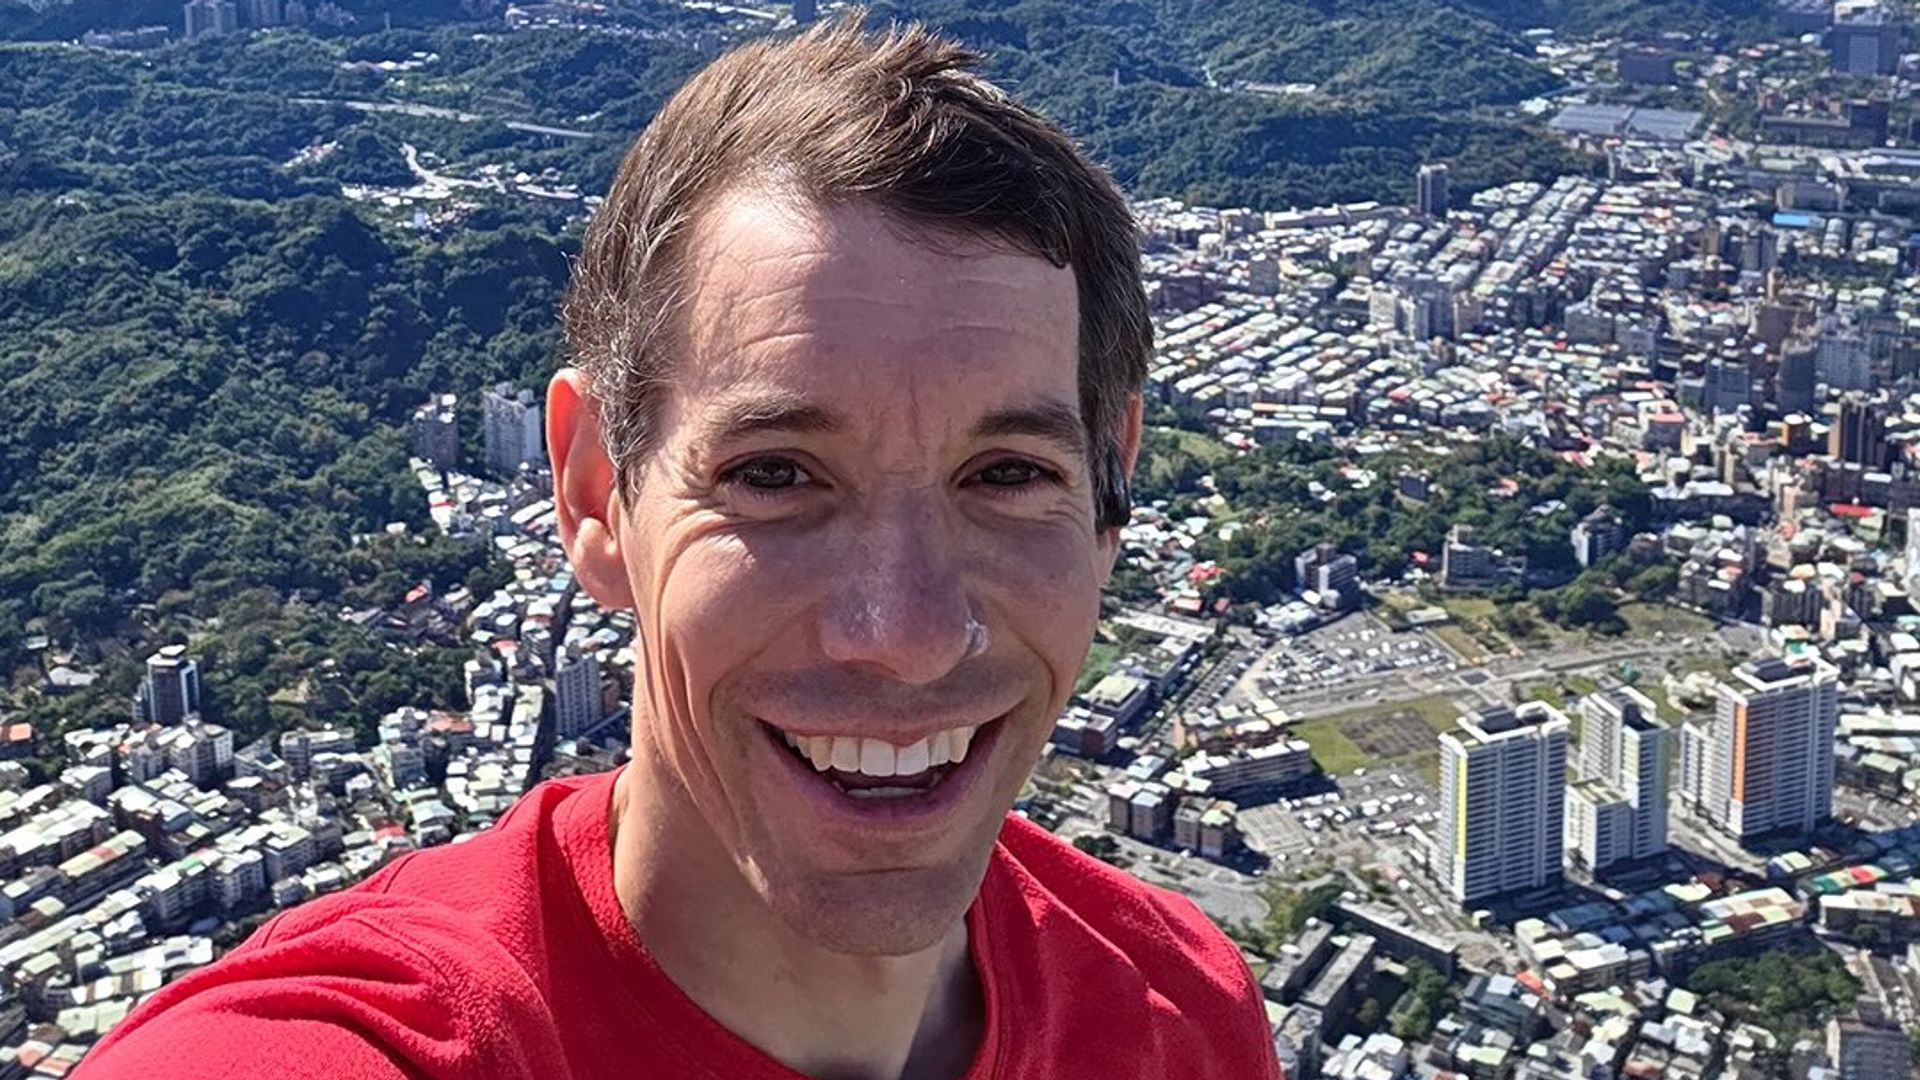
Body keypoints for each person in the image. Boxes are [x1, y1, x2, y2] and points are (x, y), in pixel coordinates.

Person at [76, 15, 1282, 1080]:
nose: (907, 635)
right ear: (597, 492)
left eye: (1009, 475)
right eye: (774, 476)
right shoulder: (375, 1042)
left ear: (1112, 485)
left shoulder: (1186, 1011)